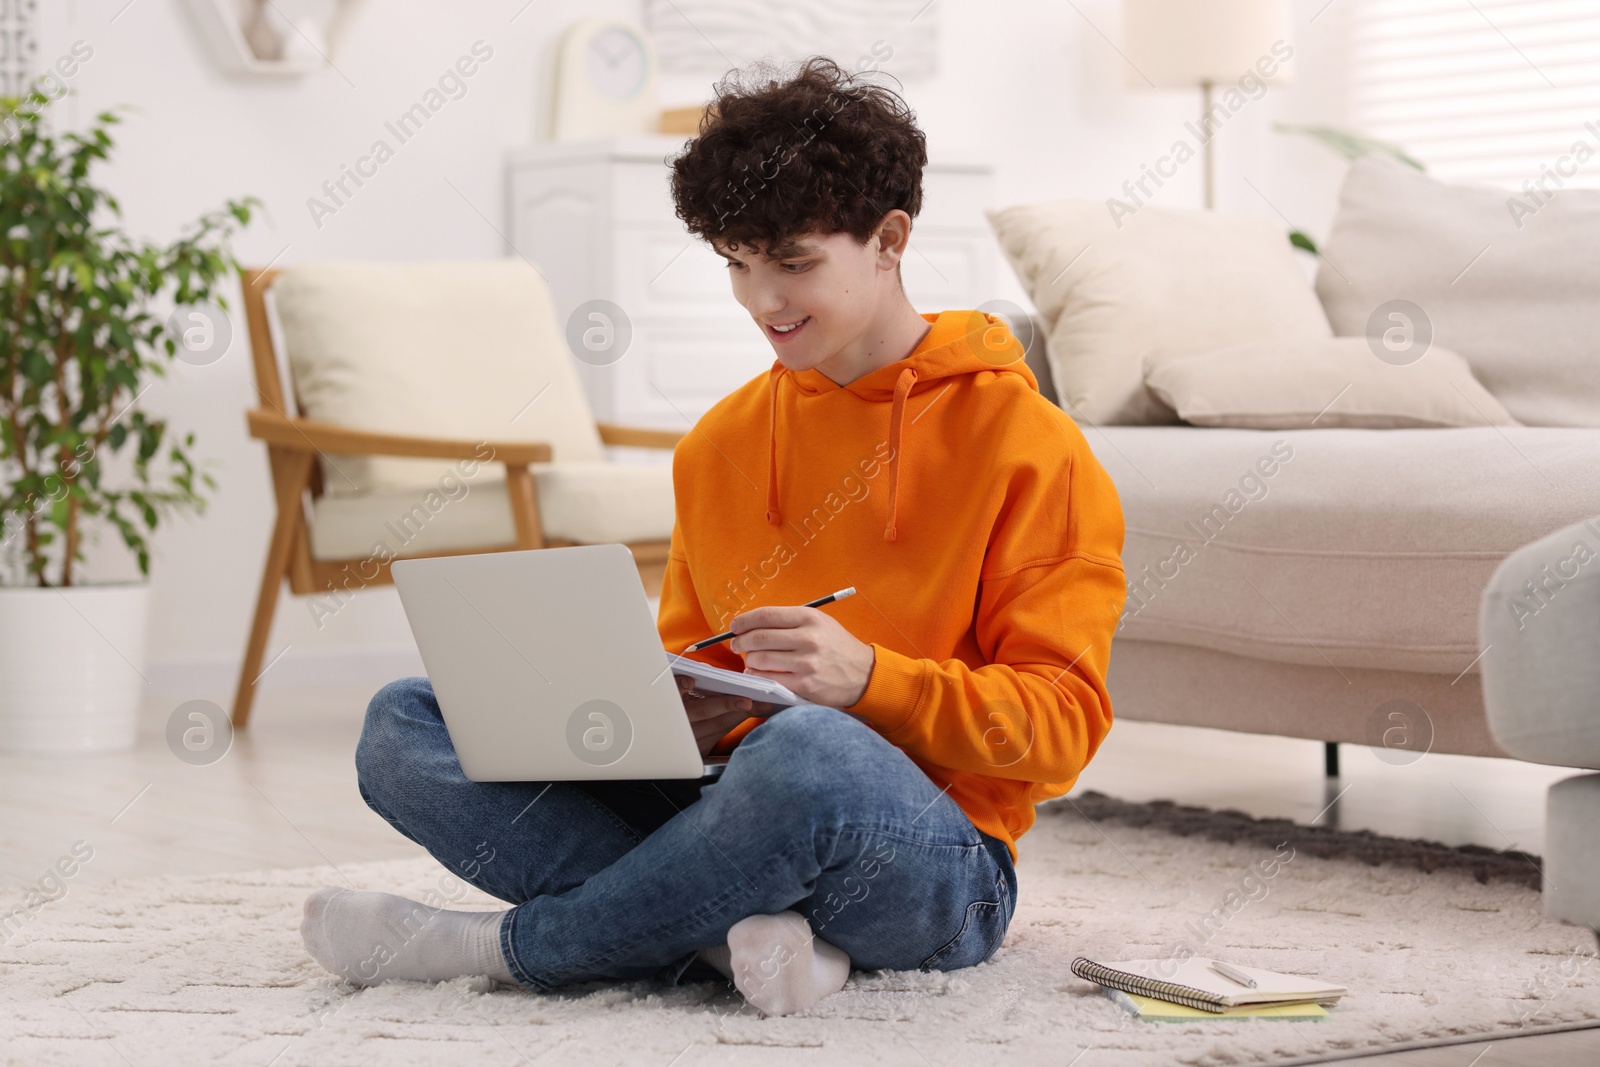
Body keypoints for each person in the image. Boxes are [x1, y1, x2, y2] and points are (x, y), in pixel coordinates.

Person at [300, 55, 1127, 1018]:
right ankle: (723, 938)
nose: (763, 301)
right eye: (737, 262)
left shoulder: (1031, 446)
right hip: (719, 807)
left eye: (794, 262)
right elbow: (686, 654)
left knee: (807, 752)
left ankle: (513, 947)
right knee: (406, 724)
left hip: (939, 864)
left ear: (890, 239)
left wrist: (871, 681)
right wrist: (668, 710)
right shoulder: (722, 442)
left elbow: (1064, 729)